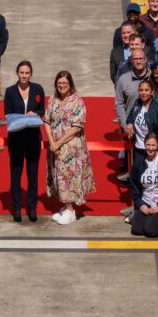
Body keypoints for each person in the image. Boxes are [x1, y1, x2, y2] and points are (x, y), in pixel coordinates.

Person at [44, 69, 93, 224]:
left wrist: (59, 142)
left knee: (69, 176)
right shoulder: (52, 100)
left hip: (72, 146)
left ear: (70, 84)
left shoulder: (77, 101)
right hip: (55, 146)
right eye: (59, 83)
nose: (62, 86)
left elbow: (77, 126)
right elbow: (46, 121)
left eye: (65, 83)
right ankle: (65, 206)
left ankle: (71, 209)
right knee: (58, 175)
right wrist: (52, 141)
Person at [2, 60, 46, 222]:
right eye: (22, 72)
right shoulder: (10, 91)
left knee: (33, 174)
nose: (24, 76)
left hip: (33, 136)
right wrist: (20, 118)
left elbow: (43, 109)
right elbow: (7, 113)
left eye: (27, 73)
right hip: (16, 137)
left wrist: (35, 113)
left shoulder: (38, 88)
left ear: (31, 74)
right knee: (16, 173)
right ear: (17, 73)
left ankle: (32, 207)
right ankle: (16, 208)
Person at [127, 134, 158, 238]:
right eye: (148, 145)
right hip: (145, 202)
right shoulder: (139, 162)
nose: (150, 148)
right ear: (144, 145)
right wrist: (140, 204)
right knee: (136, 230)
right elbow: (133, 184)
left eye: (153, 145)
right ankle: (140, 216)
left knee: (150, 231)